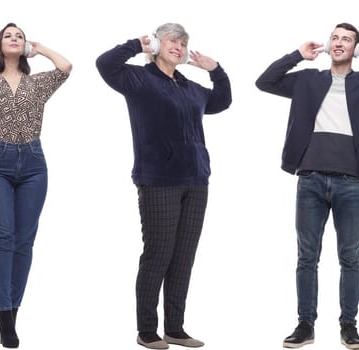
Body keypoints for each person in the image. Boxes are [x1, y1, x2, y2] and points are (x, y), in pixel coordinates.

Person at [255, 22, 359, 350]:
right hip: (310, 178)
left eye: (347, 39)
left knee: (350, 256)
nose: (339, 43)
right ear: (328, 44)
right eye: (335, 37)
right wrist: (297, 55)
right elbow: (264, 81)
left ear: (356, 48)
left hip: (351, 181)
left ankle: (348, 326)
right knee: (307, 256)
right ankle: (305, 325)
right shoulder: (308, 79)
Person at [96, 23, 232, 350]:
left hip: (196, 180)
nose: (180, 46)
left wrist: (216, 70)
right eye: (173, 40)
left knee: (183, 257)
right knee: (158, 254)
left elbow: (222, 102)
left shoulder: (190, 88)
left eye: (184, 42)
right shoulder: (139, 80)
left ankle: (175, 328)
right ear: (158, 43)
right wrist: (137, 44)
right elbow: (104, 64)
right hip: (158, 180)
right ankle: (147, 330)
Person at [0, 22, 71, 349]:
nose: (14, 39)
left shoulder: (39, 84)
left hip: (34, 163)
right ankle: (3, 314)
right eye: (8, 36)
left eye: (19, 36)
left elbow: (65, 67)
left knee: (24, 241)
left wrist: (41, 46)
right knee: (3, 236)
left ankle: (13, 311)